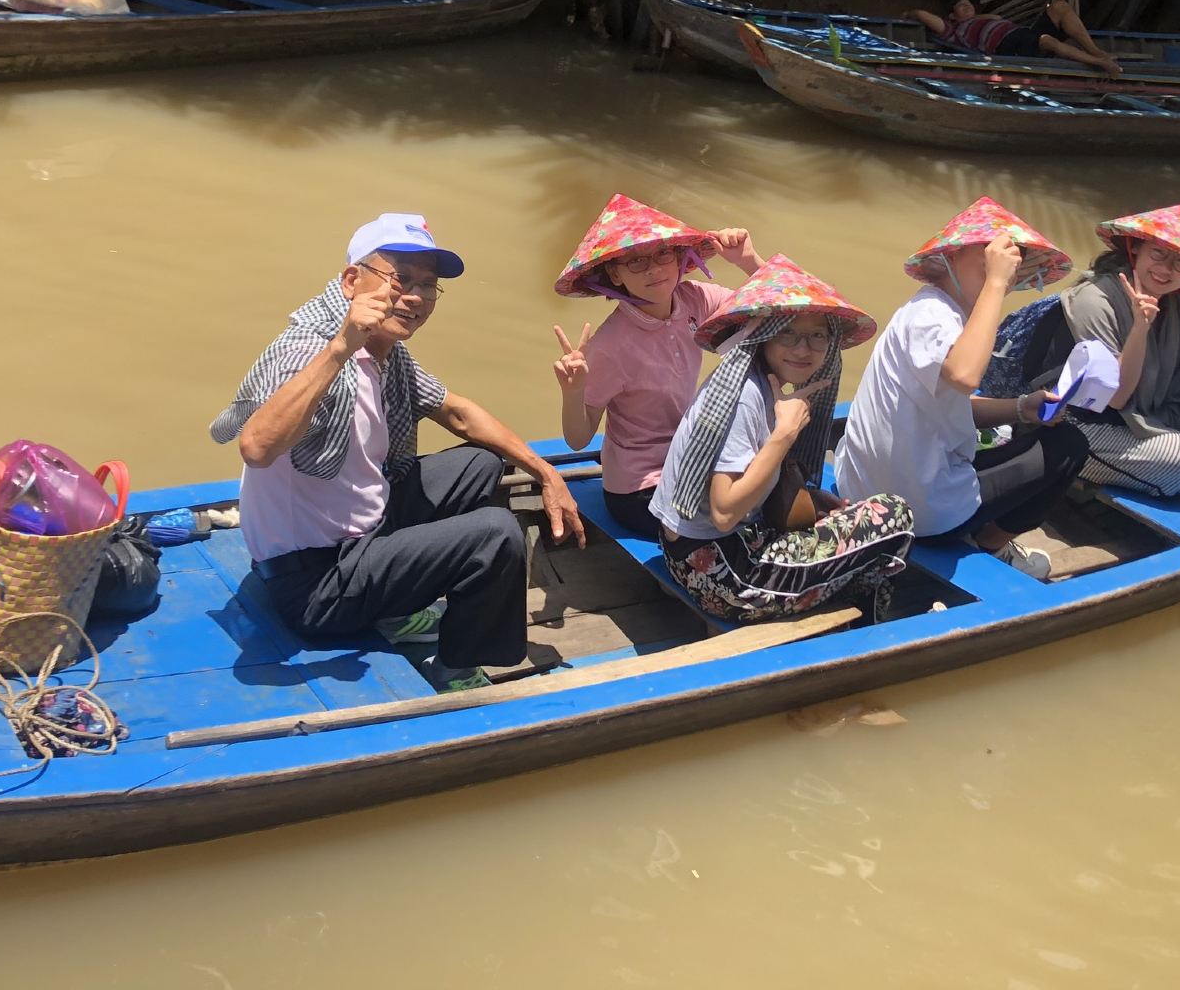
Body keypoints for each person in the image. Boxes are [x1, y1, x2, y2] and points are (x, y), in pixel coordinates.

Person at [212, 213, 587, 692]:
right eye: (399, 280)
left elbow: (458, 414)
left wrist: (544, 472)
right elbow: (257, 448)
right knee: (495, 534)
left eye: (427, 286)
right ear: (352, 280)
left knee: (482, 462)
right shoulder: (311, 350)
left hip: (357, 534)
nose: (414, 297)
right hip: (314, 585)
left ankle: (397, 605)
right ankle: (457, 669)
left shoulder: (386, 352)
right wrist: (339, 349)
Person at [835, 199, 1089, 579]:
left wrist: (1021, 408)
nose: (996, 272)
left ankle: (979, 526)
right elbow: (965, 375)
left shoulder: (932, 311)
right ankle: (990, 544)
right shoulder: (933, 314)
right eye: (986, 258)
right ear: (950, 258)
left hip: (865, 490)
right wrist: (996, 283)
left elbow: (950, 401)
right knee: (1068, 446)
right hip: (919, 513)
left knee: (1025, 426)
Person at [651, 256, 914, 622]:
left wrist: (813, 494)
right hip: (726, 575)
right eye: (787, 333)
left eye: (817, 336)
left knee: (848, 514)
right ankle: (864, 623)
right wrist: (784, 434)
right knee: (895, 515)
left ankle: (837, 594)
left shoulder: (759, 383)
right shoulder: (745, 397)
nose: (803, 349)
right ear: (762, 337)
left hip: (693, 553)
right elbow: (725, 513)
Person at [1031, 203, 1180, 519]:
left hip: (1129, 421)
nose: (1165, 269)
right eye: (1157, 254)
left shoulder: (1176, 309)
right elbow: (1115, 397)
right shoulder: (1096, 300)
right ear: (1137, 251)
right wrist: (1139, 328)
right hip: (1071, 425)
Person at [549, 194, 762, 534]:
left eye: (662, 253)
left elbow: (770, 314)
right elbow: (578, 438)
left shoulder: (695, 299)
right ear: (614, 275)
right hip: (639, 489)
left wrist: (748, 262)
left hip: (690, 459)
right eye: (634, 261)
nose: (652, 268)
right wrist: (572, 392)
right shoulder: (609, 346)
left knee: (768, 481)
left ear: (680, 257)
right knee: (748, 513)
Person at [906, 0, 1124, 76]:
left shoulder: (986, 17)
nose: (967, 4)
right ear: (952, 16)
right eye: (961, 5)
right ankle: (1100, 62)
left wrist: (979, 16)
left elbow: (995, 17)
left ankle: (1094, 50)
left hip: (1021, 33)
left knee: (1059, 6)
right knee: (1047, 40)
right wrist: (908, 14)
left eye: (968, 2)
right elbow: (924, 15)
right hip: (1006, 46)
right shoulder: (953, 30)